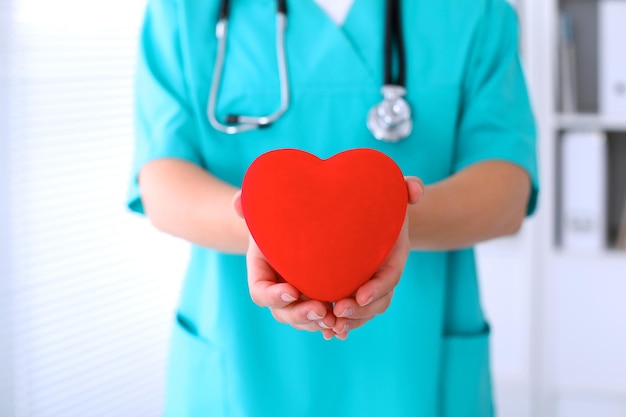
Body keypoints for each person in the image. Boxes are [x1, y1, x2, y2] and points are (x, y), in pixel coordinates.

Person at [127, 0, 539, 415]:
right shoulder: (185, 10)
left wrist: (387, 222)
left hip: (414, 354)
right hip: (242, 350)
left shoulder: (475, 11)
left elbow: (507, 190)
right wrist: (270, 231)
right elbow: (161, 183)